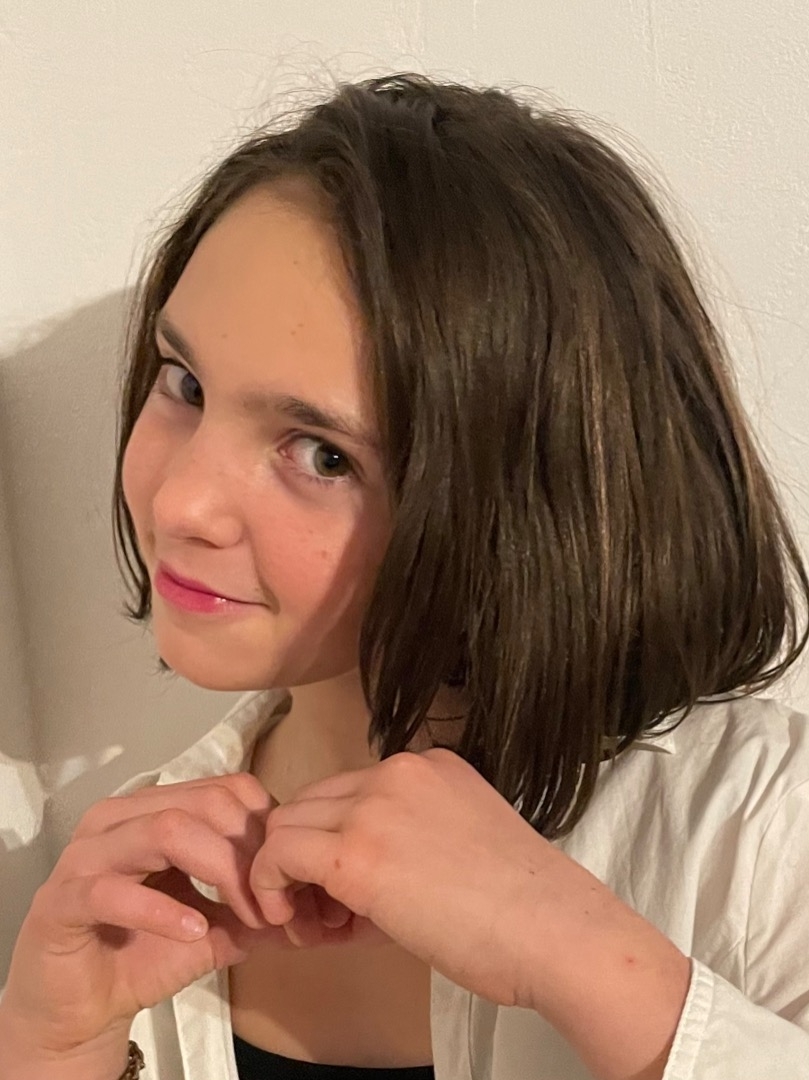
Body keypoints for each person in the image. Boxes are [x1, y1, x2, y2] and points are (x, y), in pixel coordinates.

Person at [1, 72, 808, 1080]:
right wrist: (51, 1051)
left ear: (524, 499)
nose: (181, 503)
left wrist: (585, 961)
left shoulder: (755, 836)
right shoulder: (140, 876)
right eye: (186, 384)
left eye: (321, 454)